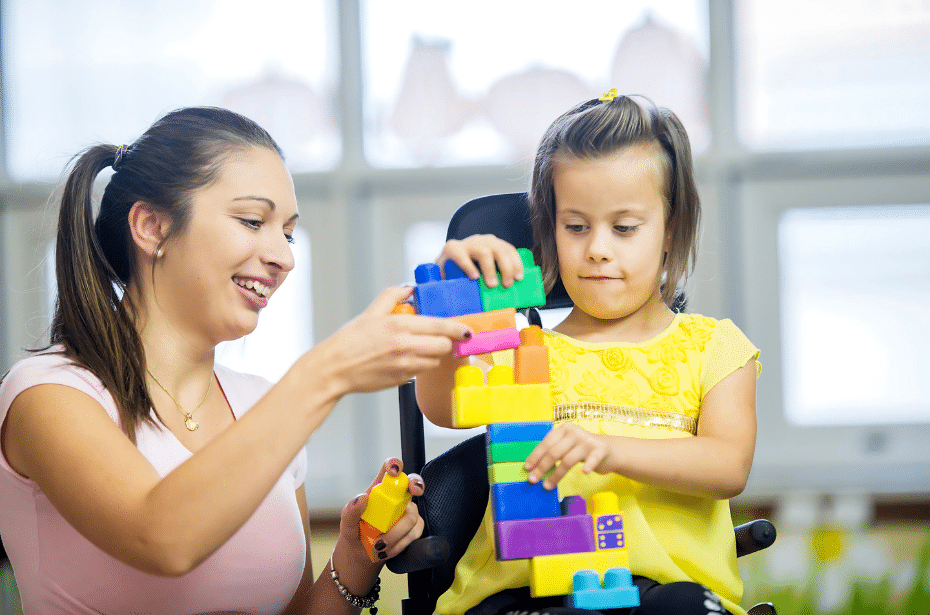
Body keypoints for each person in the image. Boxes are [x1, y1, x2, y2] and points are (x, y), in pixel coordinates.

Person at [0, 107, 473, 615]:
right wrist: (329, 370)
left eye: (287, 234)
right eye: (253, 221)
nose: (284, 257)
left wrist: (356, 555)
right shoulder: (47, 395)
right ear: (153, 226)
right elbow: (162, 537)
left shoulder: (261, 404)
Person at [414, 94, 761, 615]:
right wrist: (450, 307)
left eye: (624, 228)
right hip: (525, 596)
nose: (598, 248)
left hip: (666, 595)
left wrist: (608, 448)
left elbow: (728, 465)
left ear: (671, 229)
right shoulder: (523, 349)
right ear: (551, 231)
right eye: (576, 227)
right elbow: (441, 406)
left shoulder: (715, 346)